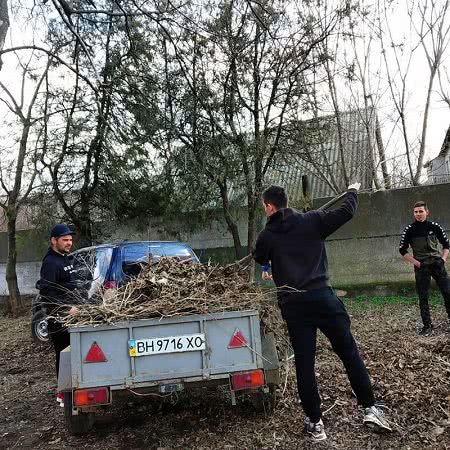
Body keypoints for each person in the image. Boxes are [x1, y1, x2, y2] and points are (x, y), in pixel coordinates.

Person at [253, 184, 391, 442]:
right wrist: (351, 191)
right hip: (324, 299)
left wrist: (267, 263)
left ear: (269, 207)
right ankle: (370, 407)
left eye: (264, 206)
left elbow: (259, 255)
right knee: (349, 353)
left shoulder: (267, 235)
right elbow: (347, 211)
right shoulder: (313, 220)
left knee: (305, 364)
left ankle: (315, 423)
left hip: (295, 307)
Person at [38, 224, 79, 407]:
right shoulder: (50, 263)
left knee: (76, 353)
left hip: (73, 315)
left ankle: (75, 388)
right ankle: (63, 394)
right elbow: (47, 294)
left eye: (70, 239)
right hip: (60, 319)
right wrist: (65, 308)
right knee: (64, 355)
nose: (69, 243)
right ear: (54, 241)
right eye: (65, 239)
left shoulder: (65, 258)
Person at [399, 200, 450, 336]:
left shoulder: (435, 226)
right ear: (413, 213)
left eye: (421, 211)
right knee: (423, 297)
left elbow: (446, 244)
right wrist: (417, 263)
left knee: (448, 292)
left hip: (437, 264)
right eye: (416, 212)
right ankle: (427, 326)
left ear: (427, 212)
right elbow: (402, 250)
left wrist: (443, 259)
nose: (418, 214)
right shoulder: (409, 230)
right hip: (422, 266)